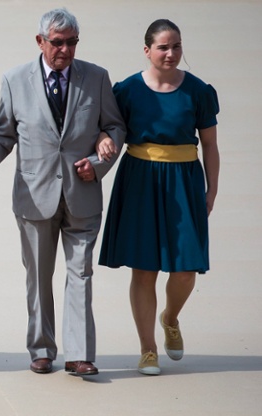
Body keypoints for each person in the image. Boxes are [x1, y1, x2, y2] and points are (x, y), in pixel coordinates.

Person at [0, 8, 125, 375]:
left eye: (71, 43)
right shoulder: (14, 79)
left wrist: (100, 162)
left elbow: (115, 127)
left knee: (80, 273)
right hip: (34, 196)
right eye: (57, 43)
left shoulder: (97, 78)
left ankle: (80, 354)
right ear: (40, 42)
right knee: (38, 277)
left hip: (82, 193)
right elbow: (4, 133)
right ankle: (41, 349)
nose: (65, 50)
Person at [97, 19, 220, 376]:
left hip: (184, 181)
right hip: (139, 179)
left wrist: (211, 190)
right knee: (144, 267)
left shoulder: (198, 91)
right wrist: (100, 142)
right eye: (163, 47)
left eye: (176, 46)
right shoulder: (127, 90)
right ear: (147, 50)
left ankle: (170, 317)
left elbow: (210, 145)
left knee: (185, 268)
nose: (170, 53)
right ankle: (148, 348)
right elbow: (108, 129)